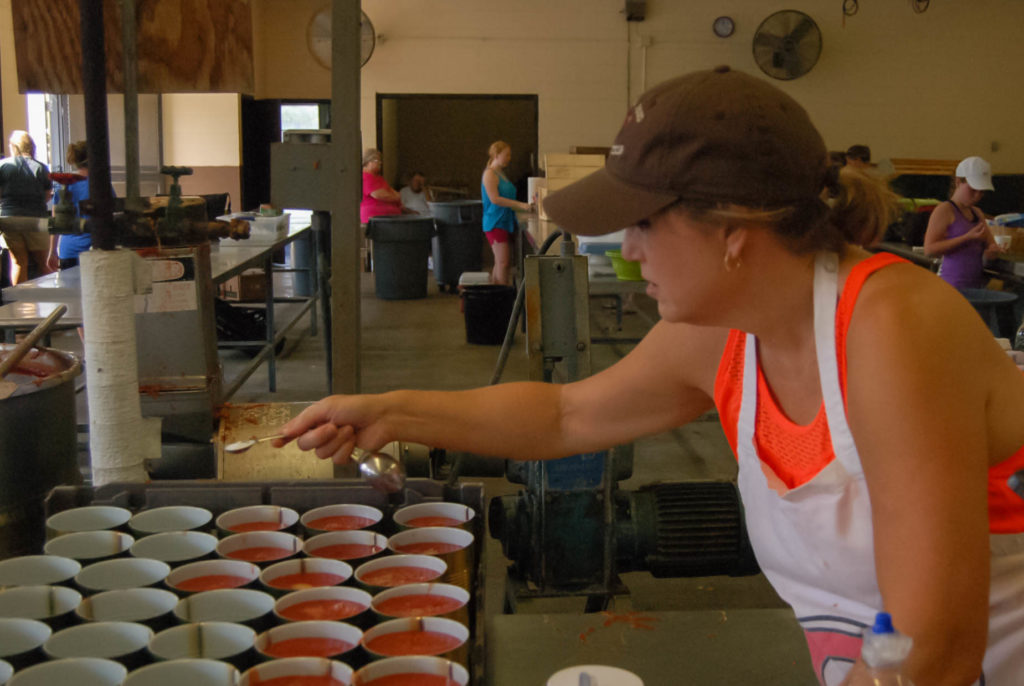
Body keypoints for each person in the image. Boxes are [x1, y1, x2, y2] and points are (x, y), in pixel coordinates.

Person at [277, 67, 1024, 685]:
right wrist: (394, 412)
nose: (629, 251)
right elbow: (567, 417)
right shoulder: (723, 336)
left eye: (644, 225)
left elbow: (932, 642)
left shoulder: (892, 332)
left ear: (734, 230)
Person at [923, 156, 1005, 289]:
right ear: (958, 182)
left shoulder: (977, 213)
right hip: (951, 287)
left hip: (974, 288)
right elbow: (929, 250)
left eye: (982, 192)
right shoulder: (945, 210)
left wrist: (992, 252)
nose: (977, 196)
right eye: (973, 190)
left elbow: (990, 245)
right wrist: (966, 238)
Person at [0, 130, 53, 283]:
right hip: (35, 219)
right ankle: (49, 303)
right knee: (43, 263)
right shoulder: (41, 168)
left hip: (9, 218)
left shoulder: (2, 166)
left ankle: (20, 304)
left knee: (18, 263)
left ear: (13, 147)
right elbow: (47, 195)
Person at [481, 141, 532, 285]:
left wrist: (523, 208)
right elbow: (495, 199)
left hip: (505, 221)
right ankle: (502, 298)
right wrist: (520, 205)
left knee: (501, 262)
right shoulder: (489, 174)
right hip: (495, 222)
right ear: (497, 155)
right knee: (503, 262)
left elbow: (508, 197)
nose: (509, 158)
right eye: (507, 155)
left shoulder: (500, 173)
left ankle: (496, 294)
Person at [47, 140, 100, 270]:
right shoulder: (101, 186)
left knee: (70, 290)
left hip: (68, 251)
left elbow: (56, 223)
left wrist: (52, 251)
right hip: (93, 250)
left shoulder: (64, 186)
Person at [360, 148, 404, 224]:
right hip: (375, 219)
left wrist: (396, 197)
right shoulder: (366, 177)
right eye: (377, 161)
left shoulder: (379, 178)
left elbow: (391, 190)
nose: (380, 163)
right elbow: (379, 195)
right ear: (368, 162)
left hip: (389, 219)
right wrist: (396, 197)